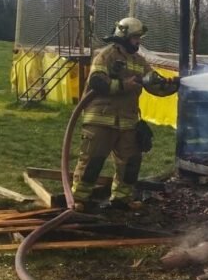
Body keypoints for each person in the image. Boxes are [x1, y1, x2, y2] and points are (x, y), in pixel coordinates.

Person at [71, 17, 178, 210]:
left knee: (130, 164)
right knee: (92, 162)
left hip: (128, 122)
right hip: (101, 119)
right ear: (123, 36)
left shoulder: (139, 62)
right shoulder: (105, 56)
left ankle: (121, 199)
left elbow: (155, 85)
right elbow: (97, 82)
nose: (138, 42)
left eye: (139, 38)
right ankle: (79, 199)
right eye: (135, 38)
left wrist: (172, 85)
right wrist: (124, 85)